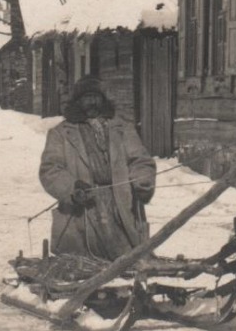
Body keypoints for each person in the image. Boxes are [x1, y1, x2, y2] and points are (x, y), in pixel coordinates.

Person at [38, 76, 156, 261]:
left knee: (126, 261)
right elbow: (50, 169)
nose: (92, 103)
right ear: (77, 102)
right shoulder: (61, 133)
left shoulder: (122, 129)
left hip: (120, 207)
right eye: (86, 98)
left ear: (103, 100)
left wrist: (142, 180)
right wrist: (72, 188)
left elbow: (140, 160)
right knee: (81, 263)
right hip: (81, 210)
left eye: (96, 97)